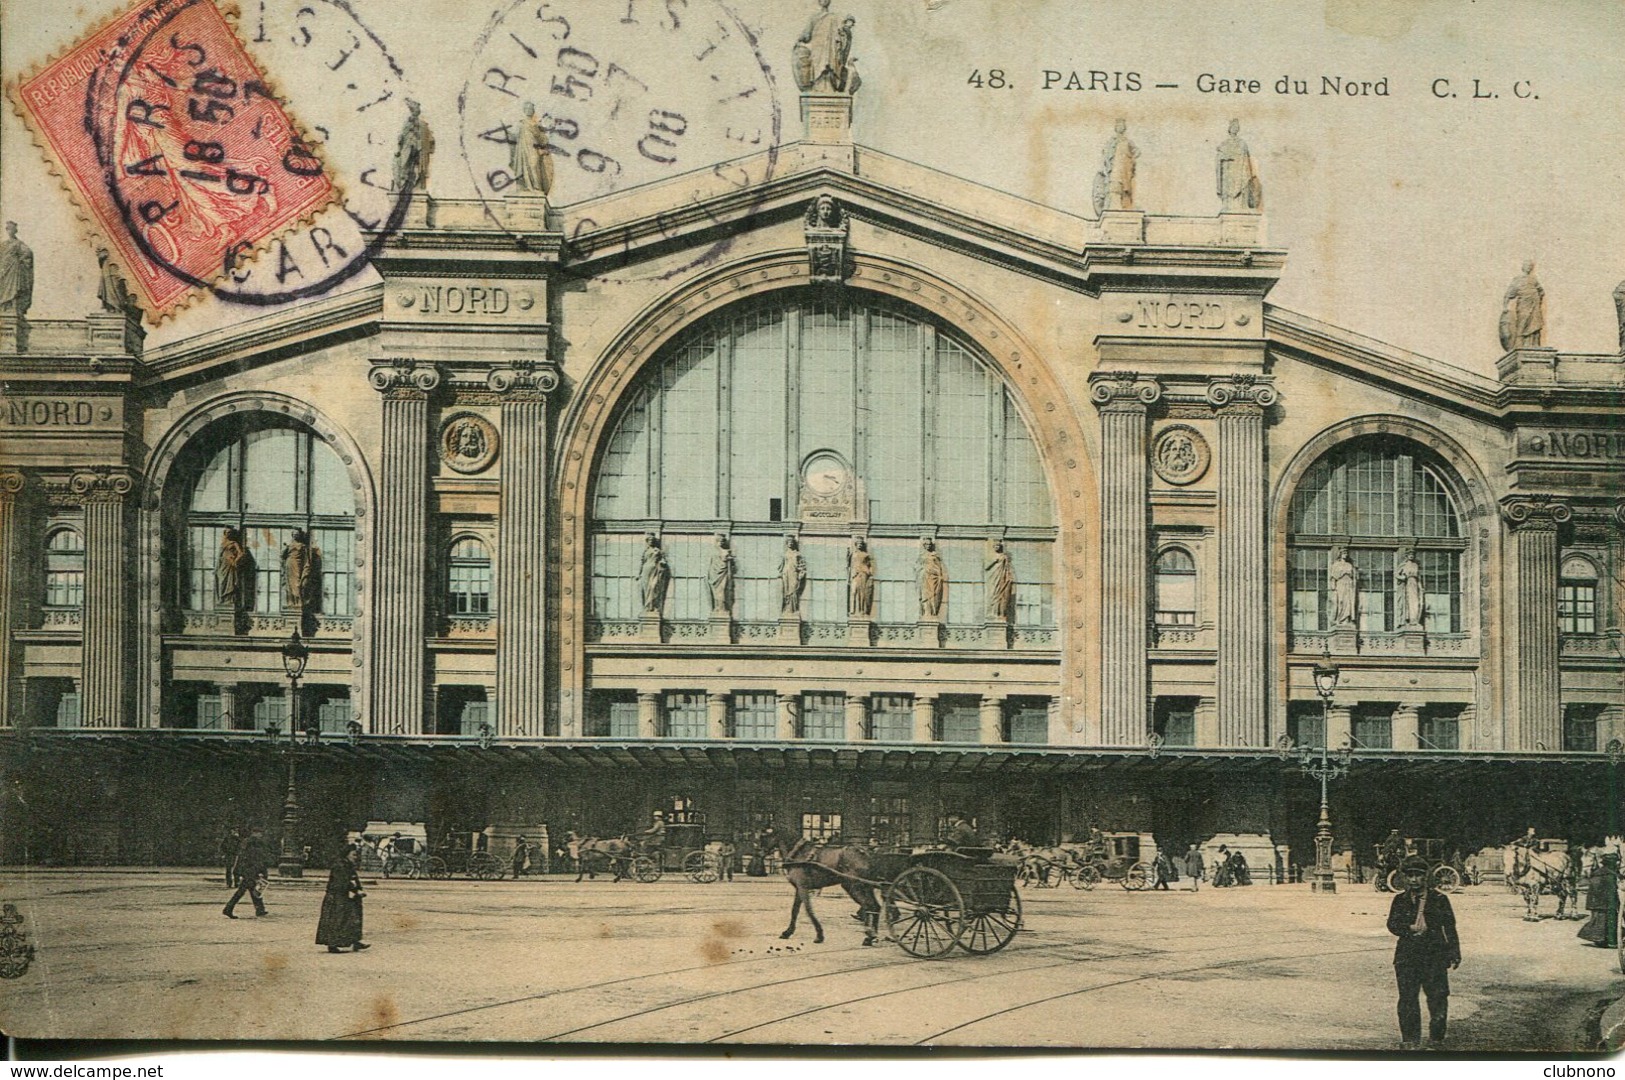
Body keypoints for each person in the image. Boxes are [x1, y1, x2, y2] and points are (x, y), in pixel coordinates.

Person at [1386, 855, 1460, 1050]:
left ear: (1425, 877)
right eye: (1409, 876)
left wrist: (1454, 952)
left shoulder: (1440, 899)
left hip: (1434, 955)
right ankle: (1410, 1039)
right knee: (1408, 998)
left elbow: (1450, 927)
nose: (1413, 880)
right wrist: (1408, 928)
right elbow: (1392, 925)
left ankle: (1436, 1038)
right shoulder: (1399, 900)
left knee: (1437, 997)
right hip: (1407, 957)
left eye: (1417, 876)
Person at [316, 845, 369, 953]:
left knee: (353, 919)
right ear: (347, 854)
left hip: (346, 896)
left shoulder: (348, 865)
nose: (356, 857)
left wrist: (358, 889)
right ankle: (332, 944)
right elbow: (342, 881)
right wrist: (355, 890)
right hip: (337, 897)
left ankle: (355, 941)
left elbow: (353, 879)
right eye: (353, 854)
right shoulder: (340, 865)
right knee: (338, 920)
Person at [223, 827, 271, 918]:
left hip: (248, 870)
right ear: (255, 833)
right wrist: (261, 871)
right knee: (245, 891)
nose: (261, 835)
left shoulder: (247, 842)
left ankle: (260, 909)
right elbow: (256, 859)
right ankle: (228, 908)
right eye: (260, 833)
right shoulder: (254, 844)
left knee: (253, 890)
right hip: (251, 871)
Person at [1216, 119, 1262, 211]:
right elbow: (1219, 156)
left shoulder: (1242, 143)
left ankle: (1240, 206)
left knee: (1241, 185)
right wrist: (1225, 156)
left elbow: (1243, 155)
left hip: (1239, 169)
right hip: (1228, 170)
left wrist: (1229, 155)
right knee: (1228, 187)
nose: (1234, 129)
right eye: (1233, 127)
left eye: (1236, 127)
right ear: (1229, 129)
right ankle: (1228, 205)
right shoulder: (1224, 143)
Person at [510, 102, 554, 195]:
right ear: (524, 110)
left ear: (533, 111)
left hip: (533, 149)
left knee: (534, 166)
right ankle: (527, 187)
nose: (529, 110)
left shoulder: (534, 125)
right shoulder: (522, 123)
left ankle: (536, 187)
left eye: (531, 109)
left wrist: (545, 136)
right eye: (527, 108)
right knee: (525, 167)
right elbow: (515, 137)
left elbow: (540, 137)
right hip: (524, 150)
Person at [1499, 260, 1544, 351]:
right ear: (1523, 267)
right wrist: (1505, 307)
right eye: (1527, 266)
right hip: (1523, 303)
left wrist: (1538, 300)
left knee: (1535, 323)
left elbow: (1541, 291)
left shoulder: (1533, 279)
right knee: (1522, 322)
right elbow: (1508, 294)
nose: (1529, 268)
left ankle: (1534, 344)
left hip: (1534, 303)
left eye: (1530, 266)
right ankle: (1520, 343)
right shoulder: (1517, 280)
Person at [1577, 851, 1620, 948]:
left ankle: (1600, 940)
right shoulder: (1610, 875)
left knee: (1598, 921)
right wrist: (1616, 904)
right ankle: (1611, 942)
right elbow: (1612, 892)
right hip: (1607, 903)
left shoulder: (1597, 873)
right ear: (1612, 864)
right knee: (1610, 921)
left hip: (1595, 902)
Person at [392, 99, 433, 191]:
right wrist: (399, 148)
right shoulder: (408, 122)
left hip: (419, 148)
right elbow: (402, 136)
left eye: (417, 109)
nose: (416, 111)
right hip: (408, 146)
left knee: (419, 167)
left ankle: (416, 183)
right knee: (404, 163)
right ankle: (402, 183)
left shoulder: (422, 124)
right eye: (415, 109)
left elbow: (429, 139)